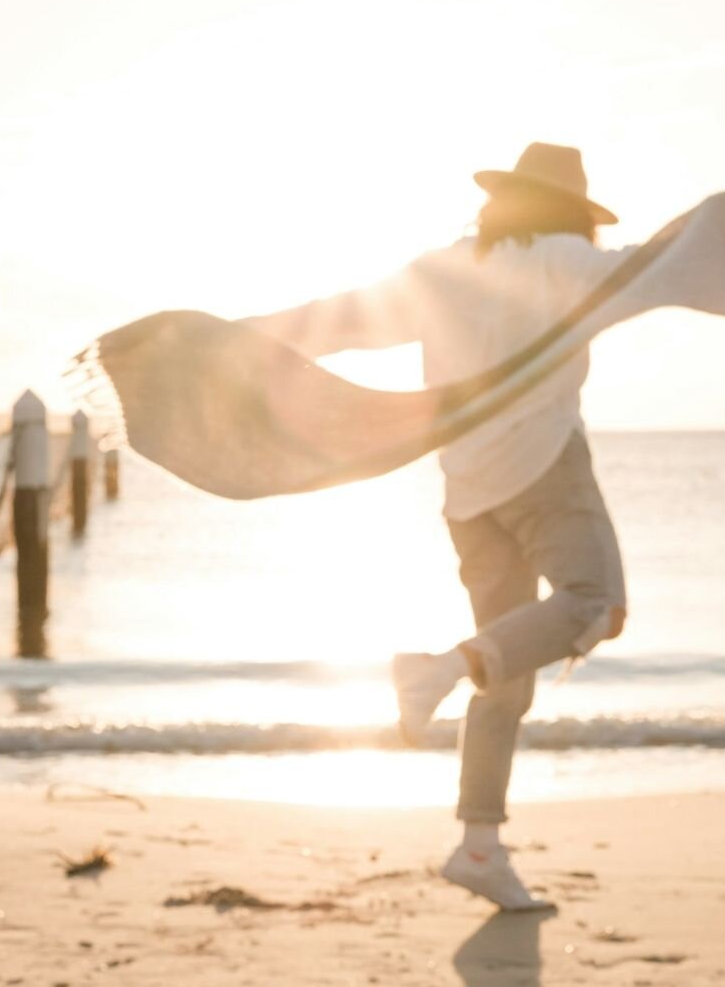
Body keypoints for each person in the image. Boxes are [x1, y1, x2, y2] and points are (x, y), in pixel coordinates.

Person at [245, 142, 632, 912]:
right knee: (595, 603)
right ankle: (437, 669)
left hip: (467, 494)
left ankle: (479, 848)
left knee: (508, 672)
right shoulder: (568, 260)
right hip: (547, 466)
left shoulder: (443, 270)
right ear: (570, 213)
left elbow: (341, 320)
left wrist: (240, 340)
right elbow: (657, 270)